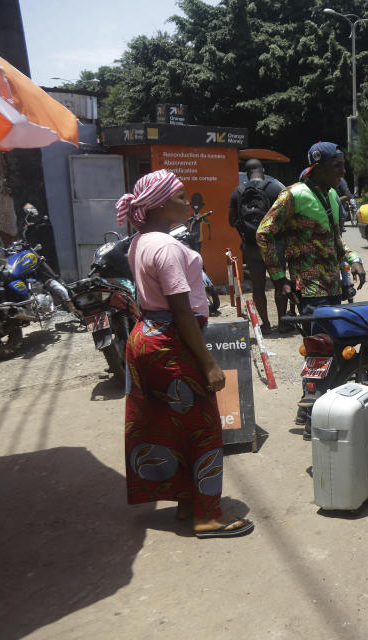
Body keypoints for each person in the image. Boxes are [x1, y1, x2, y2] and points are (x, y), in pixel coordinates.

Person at [117, 169, 254, 539]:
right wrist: (209, 363)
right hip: (172, 343)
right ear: (160, 204)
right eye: (180, 197)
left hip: (146, 338)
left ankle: (185, 501)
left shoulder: (139, 241)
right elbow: (181, 310)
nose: (186, 203)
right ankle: (207, 515)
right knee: (203, 429)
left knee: (166, 425)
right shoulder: (165, 247)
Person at [256, 141, 366, 426]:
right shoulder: (293, 195)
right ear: (318, 167)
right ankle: (310, 411)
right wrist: (279, 277)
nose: (342, 172)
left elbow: (335, 237)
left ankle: (318, 407)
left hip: (332, 288)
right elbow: (264, 233)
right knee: (319, 348)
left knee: (333, 348)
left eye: (343, 165)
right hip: (310, 289)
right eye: (336, 166)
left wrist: (353, 258)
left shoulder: (330, 194)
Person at [229, 158, 285, 333]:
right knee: (279, 284)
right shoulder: (276, 189)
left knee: (258, 287)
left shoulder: (238, 192)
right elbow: (287, 217)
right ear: (263, 170)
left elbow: (231, 220)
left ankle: (266, 325)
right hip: (275, 245)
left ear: (246, 174)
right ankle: (283, 324)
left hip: (252, 246)